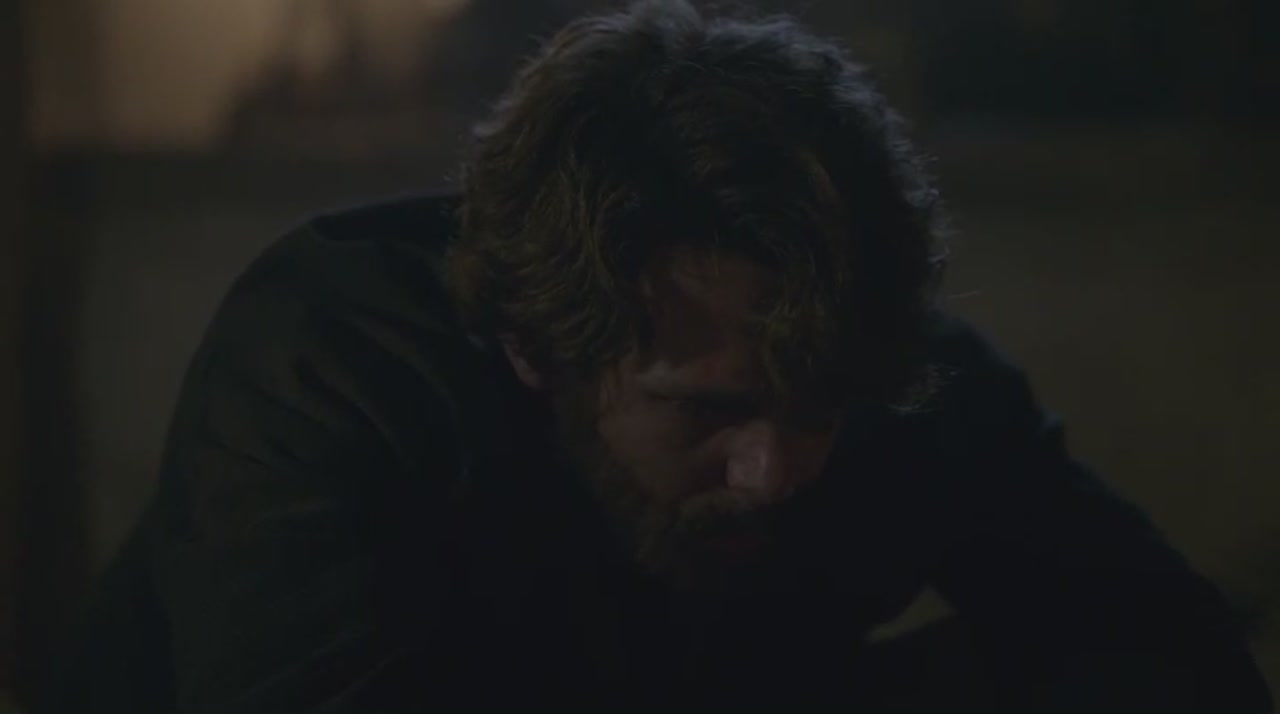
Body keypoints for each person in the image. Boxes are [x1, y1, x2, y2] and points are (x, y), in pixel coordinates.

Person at [39, 1, 1272, 711]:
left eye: (820, 402)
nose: (778, 467)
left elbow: (1178, 661)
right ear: (535, 348)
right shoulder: (332, 369)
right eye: (707, 413)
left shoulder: (885, 383)